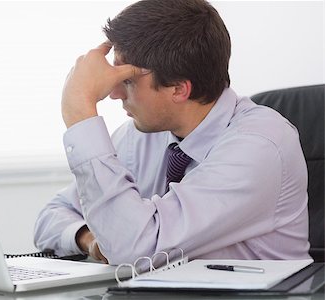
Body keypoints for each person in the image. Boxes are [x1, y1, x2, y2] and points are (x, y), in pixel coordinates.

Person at [34, 0, 310, 265]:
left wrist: (80, 113)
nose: (114, 94)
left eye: (126, 81)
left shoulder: (260, 146)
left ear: (179, 89)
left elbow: (137, 249)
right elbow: (51, 216)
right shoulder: (138, 136)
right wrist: (90, 237)